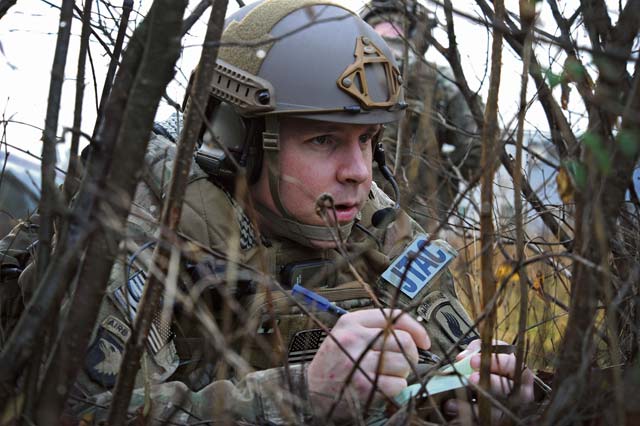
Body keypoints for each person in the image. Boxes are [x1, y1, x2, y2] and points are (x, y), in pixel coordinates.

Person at [0, 0, 533, 424]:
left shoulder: (375, 221)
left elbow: (452, 354)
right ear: (235, 138)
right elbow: (82, 411)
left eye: (368, 140)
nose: (360, 172)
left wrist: (465, 392)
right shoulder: (137, 227)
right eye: (324, 139)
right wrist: (304, 397)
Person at [360, 0, 482, 232]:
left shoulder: (341, 71)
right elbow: (477, 149)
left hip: (349, 212)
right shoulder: (441, 80)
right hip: (416, 218)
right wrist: (439, 183)